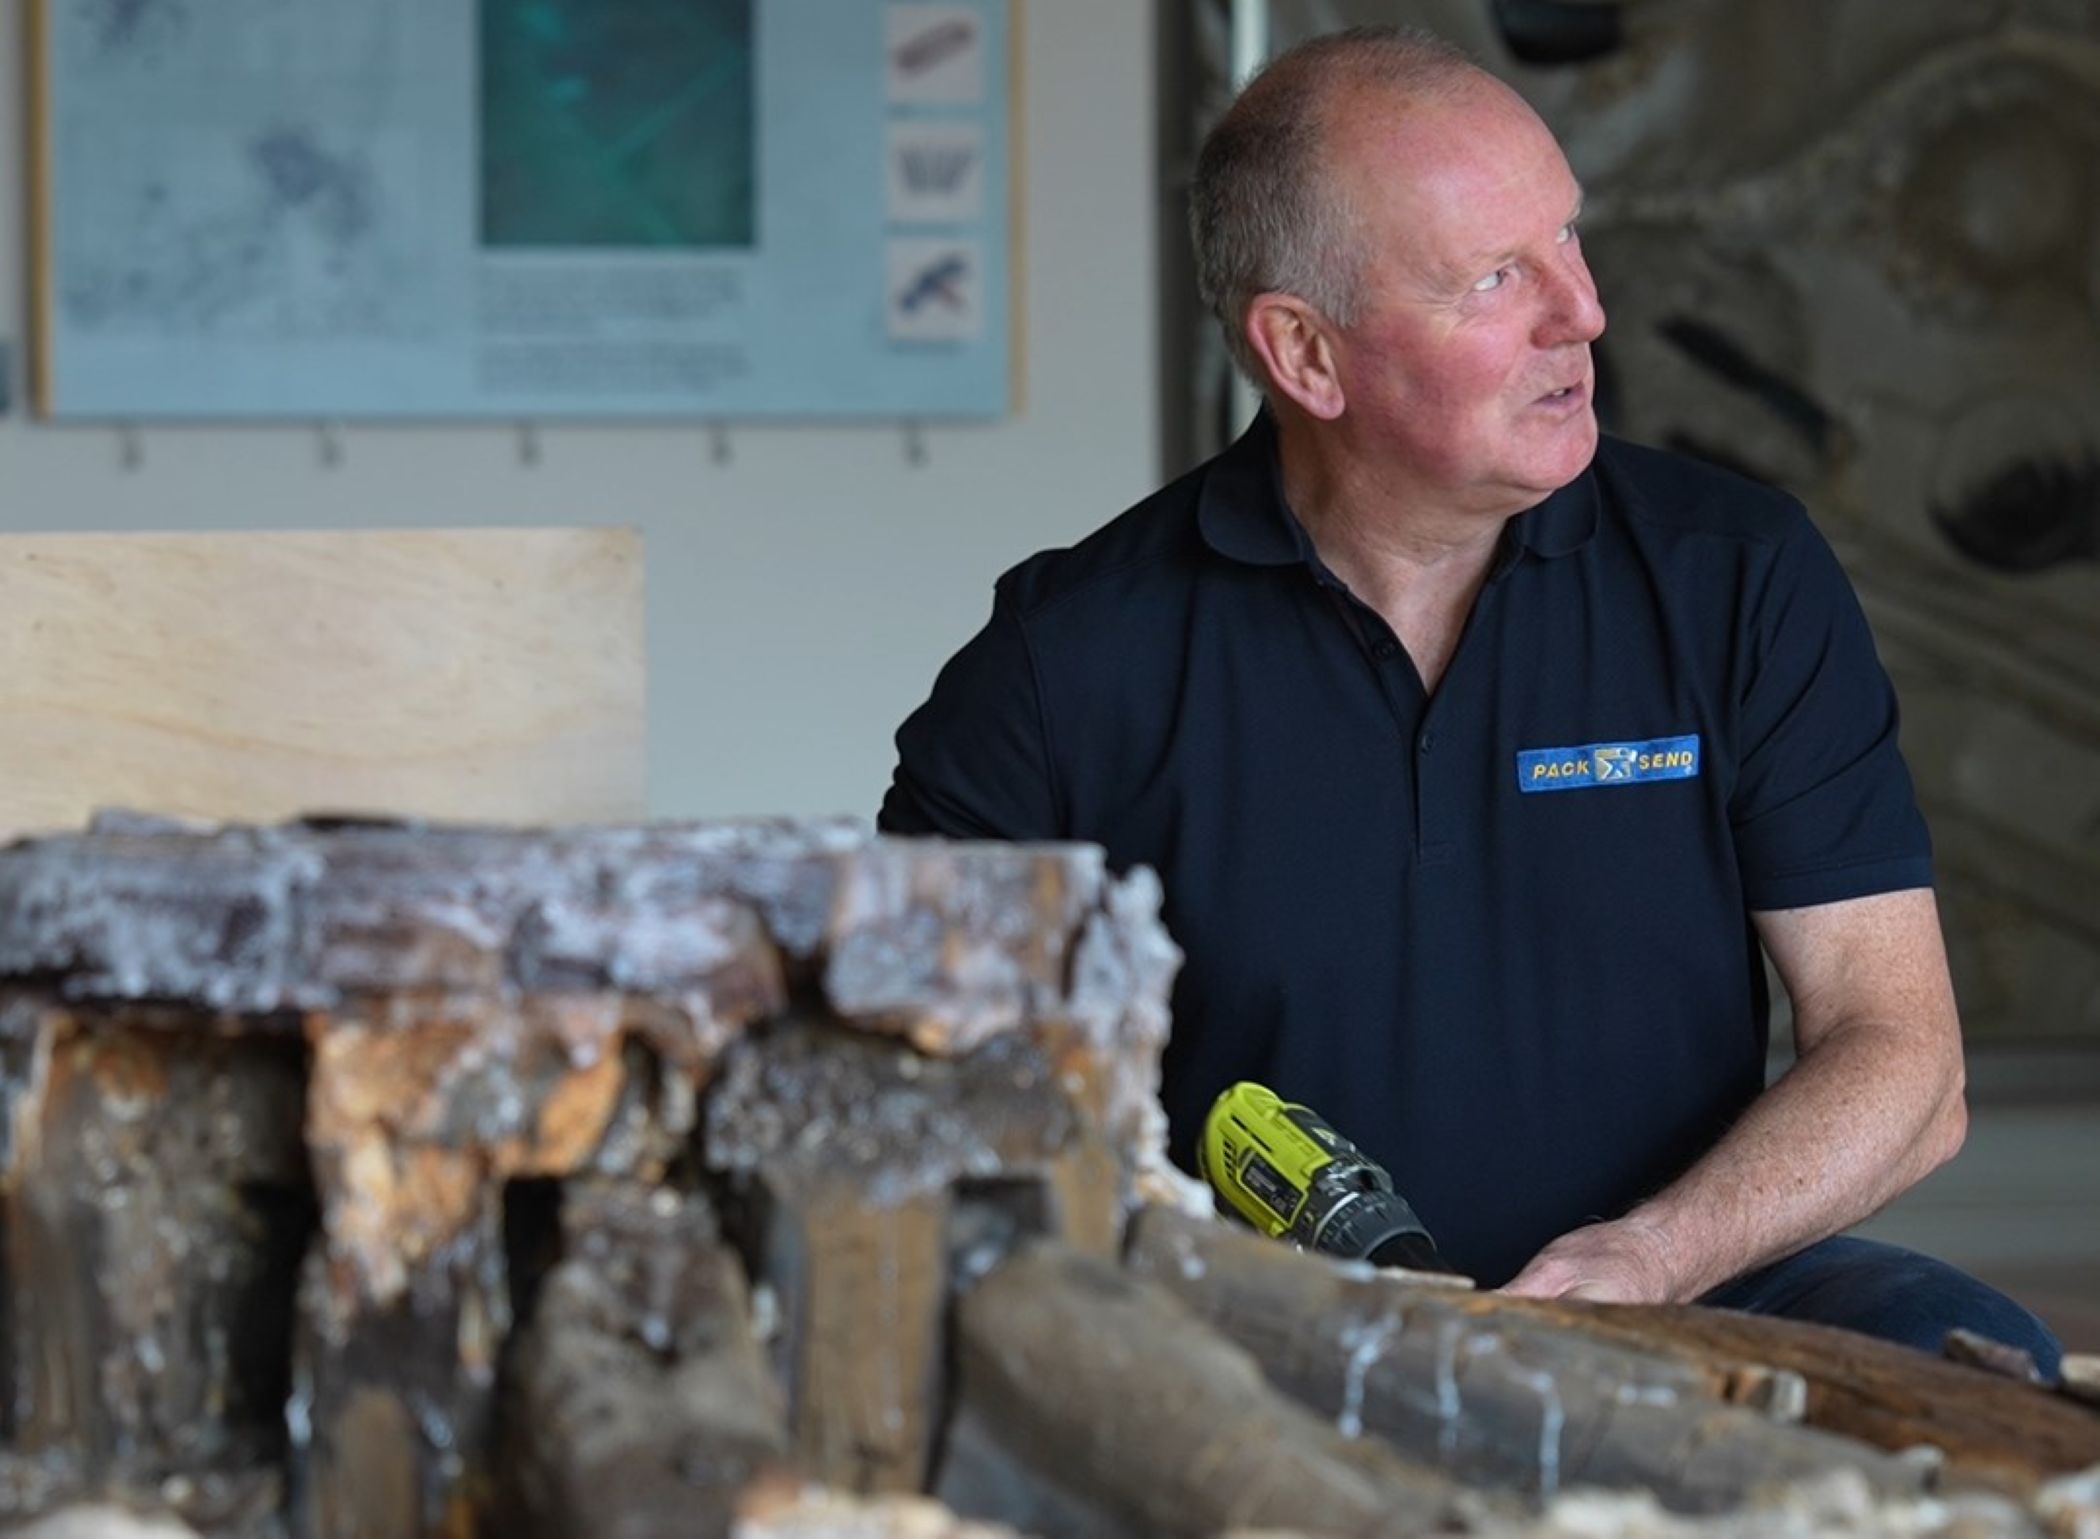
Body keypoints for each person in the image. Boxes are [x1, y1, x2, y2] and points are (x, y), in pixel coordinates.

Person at [878, 26, 2061, 1372]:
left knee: (1979, 1357)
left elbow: (1905, 1060)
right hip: (1252, 1335)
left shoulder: (1736, 575)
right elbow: (922, 1097)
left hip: (1693, 1287)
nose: (1583, 312)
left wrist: (1649, 1257)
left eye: (1569, 240)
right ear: (1307, 358)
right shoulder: (1065, 662)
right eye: (1500, 277)